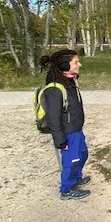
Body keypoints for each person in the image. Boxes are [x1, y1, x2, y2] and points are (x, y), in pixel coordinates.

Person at [39, 49, 91, 200]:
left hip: (76, 129)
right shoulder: (55, 89)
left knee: (82, 155)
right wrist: (60, 141)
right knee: (71, 160)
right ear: (65, 65)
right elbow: (53, 119)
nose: (79, 65)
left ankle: (76, 178)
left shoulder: (70, 80)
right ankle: (67, 189)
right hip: (67, 133)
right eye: (76, 62)